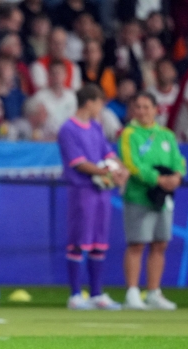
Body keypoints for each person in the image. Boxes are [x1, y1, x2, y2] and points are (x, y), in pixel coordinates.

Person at [57, 84, 129, 310]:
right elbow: (77, 162)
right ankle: (76, 295)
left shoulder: (96, 127)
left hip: (102, 192)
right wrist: (106, 172)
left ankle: (97, 294)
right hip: (82, 191)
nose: (101, 107)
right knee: (79, 240)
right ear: (89, 102)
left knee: (99, 242)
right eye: (99, 102)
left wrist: (121, 169)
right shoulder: (68, 129)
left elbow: (107, 152)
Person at [118, 92, 187, 310]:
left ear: (156, 109)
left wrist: (177, 176)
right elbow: (132, 164)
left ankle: (154, 291)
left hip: (163, 198)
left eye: (146, 107)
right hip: (139, 195)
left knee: (160, 243)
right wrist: (157, 179)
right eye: (137, 107)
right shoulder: (129, 134)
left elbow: (179, 159)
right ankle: (132, 292)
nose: (142, 111)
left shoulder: (166, 135)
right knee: (137, 243)